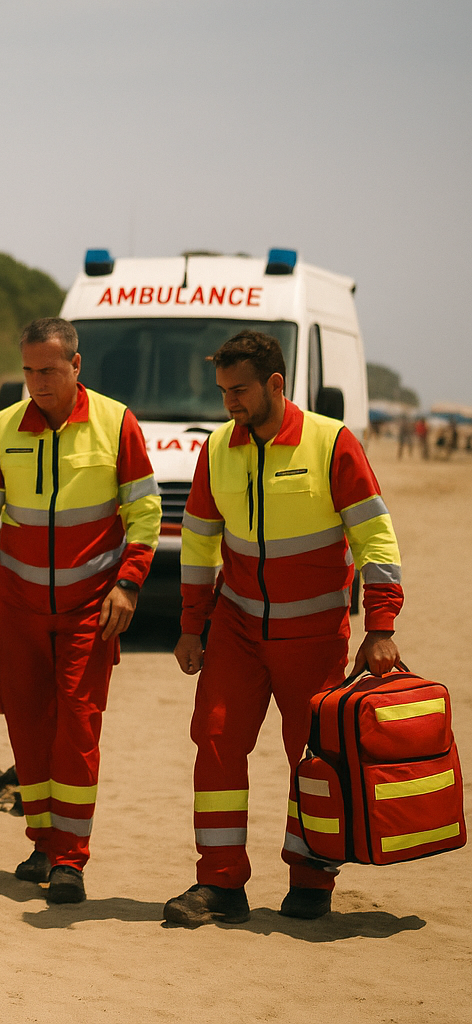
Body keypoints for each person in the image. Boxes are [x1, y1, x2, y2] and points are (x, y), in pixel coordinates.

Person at [164, 330, 403, 927]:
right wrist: (193, 626)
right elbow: (197, 543)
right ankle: (219, 884)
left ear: (275, 383)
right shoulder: (218, 449)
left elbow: (375, 537)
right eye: (222, 392)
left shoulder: (331, 443)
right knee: (215, 743)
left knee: (313, 759)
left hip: (315, 636)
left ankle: (311, 880)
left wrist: (380, 624)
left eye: (239, 391)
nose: (230, 405)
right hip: (238, 631)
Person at [0, 316, 161, 904]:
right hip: (21, 610)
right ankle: (42, 842)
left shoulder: (115, 422)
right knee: (27, 724)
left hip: (90, 609)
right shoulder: (4, 428)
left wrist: (128, 585)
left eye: (49, 371)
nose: (37, 383)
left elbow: (146, 516)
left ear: (76, 366)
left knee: (76, 728)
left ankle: (70, 861)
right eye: (28, 371)